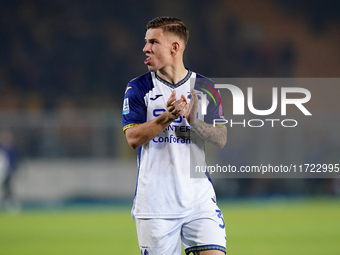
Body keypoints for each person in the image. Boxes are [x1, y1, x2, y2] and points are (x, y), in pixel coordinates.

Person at [122, 17, 228, 255]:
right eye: (146, 42)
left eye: (153, 42)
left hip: (199, 201)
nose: (145, 48)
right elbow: (133, 138)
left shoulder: (205, 87)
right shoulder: (138, 88)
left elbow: (221, 139)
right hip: (156, 207)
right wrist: (166, 118)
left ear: (175, 47)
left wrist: (194, 122)